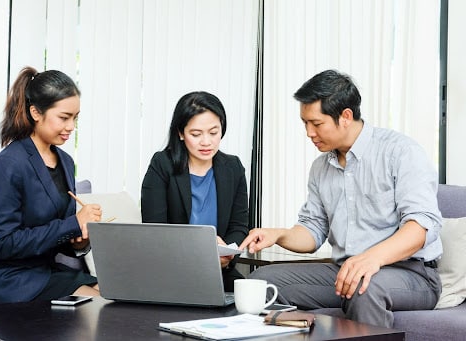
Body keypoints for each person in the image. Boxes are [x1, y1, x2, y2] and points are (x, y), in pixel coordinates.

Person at [239, 69, 442, 328]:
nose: (309, 133)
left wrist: (373, 258)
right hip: (346, 270)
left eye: (317, 123)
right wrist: (278, 234)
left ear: (345, 116)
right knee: (263, 282)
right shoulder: (321, 167)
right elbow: (312, 232)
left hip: (412, 273)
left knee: (363, 286)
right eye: (305, 124)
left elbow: (420, 227)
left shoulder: (400, 152)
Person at [0, 66, 101, 304]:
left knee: (114, 293)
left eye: (75, 118)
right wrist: (71, 224)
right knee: (100, 302)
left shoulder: (66, 162)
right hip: (5, 278)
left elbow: (59, 234)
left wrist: (80, 240)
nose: (71, 126)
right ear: (36, 113)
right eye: (64, 117)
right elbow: (0, 244)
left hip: (42, 272)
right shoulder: (8, 164)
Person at [141, 91, 250, 292]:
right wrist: (199, 254)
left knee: (257, 298)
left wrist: (226, 254)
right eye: (196, 134)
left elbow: (239, 226)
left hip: (219, 271)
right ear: (181, 133)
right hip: (172, 271)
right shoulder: (162, 164)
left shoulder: (233, 168)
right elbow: (155, 230)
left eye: (214, 132)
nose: (206, 142)